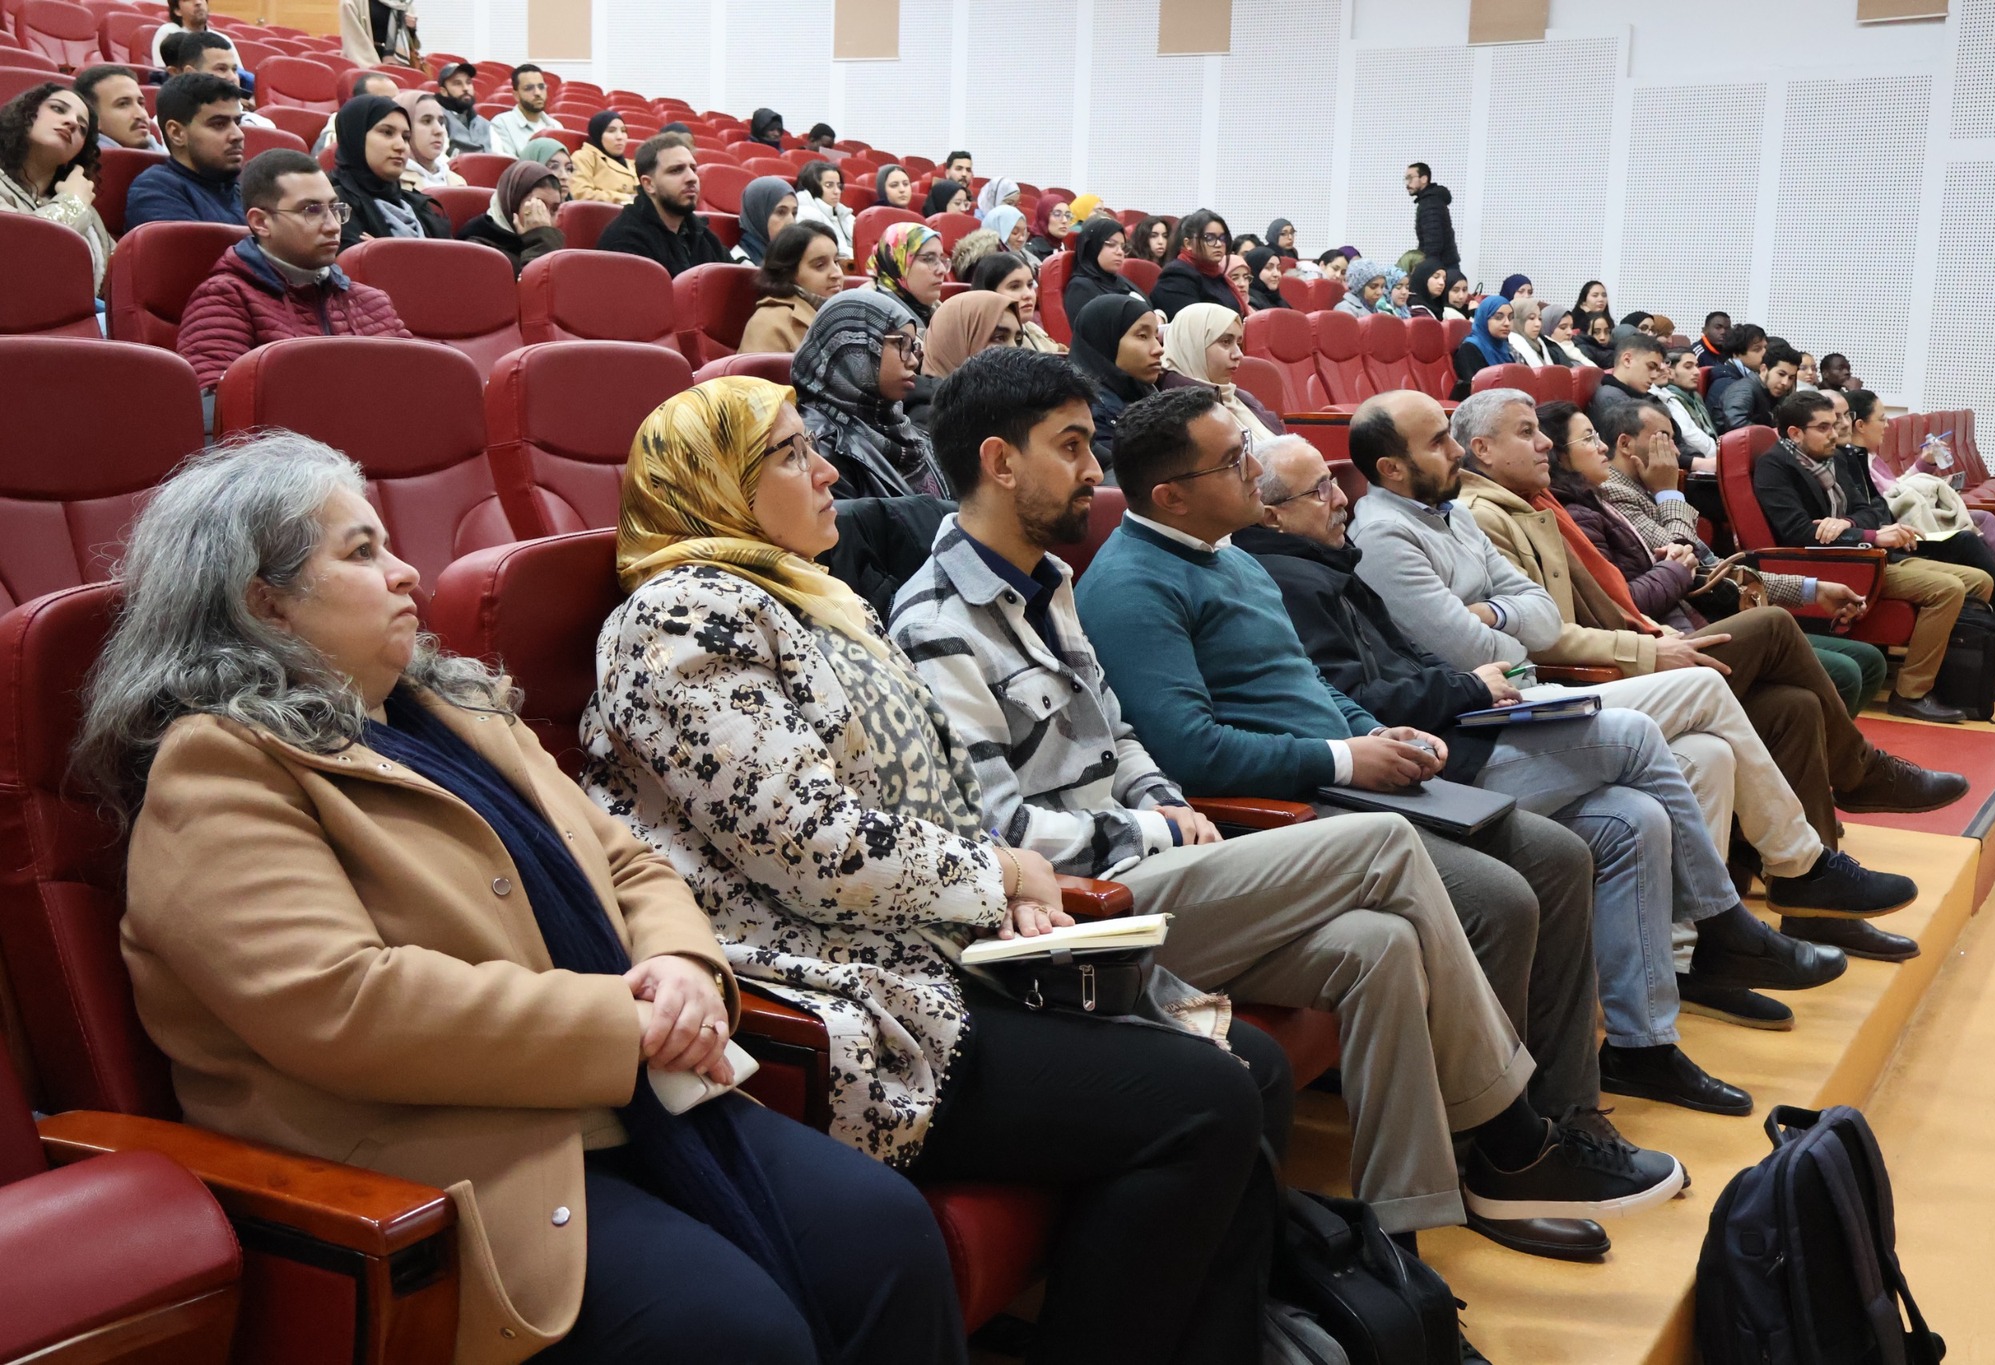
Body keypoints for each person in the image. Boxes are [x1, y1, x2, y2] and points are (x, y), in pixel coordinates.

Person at [81, 433, 961, 1365]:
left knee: (888, 1235)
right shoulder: (221, 764)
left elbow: (628, 863)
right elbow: (343, 1001)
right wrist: (625, 1022)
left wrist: (682, 964)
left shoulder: (455, 709)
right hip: (449, 1149)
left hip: (633, 1090)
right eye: (362, 552)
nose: (406, 572)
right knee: (732, 1333)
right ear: (266, 602)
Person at [896, 349, 1681, 1269]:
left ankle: (1403, 1242)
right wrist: (1161, 820)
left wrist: (1160, 799)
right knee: (1387, 845)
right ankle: (1513, 1137)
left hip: (1164, 857)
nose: (1093, 470)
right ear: (999, 462)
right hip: (1083, 909)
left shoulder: (1049, 585)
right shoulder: (938, 621)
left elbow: (1127, 738)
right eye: (1070, 447)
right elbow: (1002, 835)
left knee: (1381, 946)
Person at [582, 376, 1286, 1364]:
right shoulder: (681, 617)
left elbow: (927, 796)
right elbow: (808, 840)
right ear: (713, 484)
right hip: (833, 992)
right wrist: (1000, 875)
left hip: (926, 952)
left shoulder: (815, 603)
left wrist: (1007, 894)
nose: (827, 471)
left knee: (1250, 1066)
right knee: (1205, 1101)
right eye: (789, 453)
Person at [1241, 431, 1833, 1107]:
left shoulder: (1335, 560)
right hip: (1433, 764)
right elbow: (1367, 697)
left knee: (1635, 816)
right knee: (1638, 733)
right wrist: (1473, 683)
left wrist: (1475, 675)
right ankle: (1724, 920)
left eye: (1332, 482)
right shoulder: (1295, 578)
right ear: (1271, 513)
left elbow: (1496, 633)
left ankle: (1643, 1046)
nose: (1338, 498)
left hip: (1469, 724)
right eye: (1319, 489)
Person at [1349, 390, 1934, 946]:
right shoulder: (1467, 517)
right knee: (1759, 645)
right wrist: (1647, 627)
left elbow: (1552, 615)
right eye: (1541, 435)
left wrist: (1499, 613)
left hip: (1621, 647)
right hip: (1574, 676)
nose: (1555, 444)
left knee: (1790, 709)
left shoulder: (1478, 511)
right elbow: (1518, 640)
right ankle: (1811, 846)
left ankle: (1768, 919)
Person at [1589, 396, 1898, 721]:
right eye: (1664, 439)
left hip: (1718, 606)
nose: (1676, 452)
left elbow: (1714, 566)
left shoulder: (1647, 488)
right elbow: (1684, 556)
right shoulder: (1615, 494)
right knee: (1844, 672)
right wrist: (1669, 492)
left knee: (1869, 660)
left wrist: (1814, 589)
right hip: (1686, 627)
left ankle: (1831, 751)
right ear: (1625, 443)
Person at [1752, 391, 1995, 719]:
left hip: (1868, 553)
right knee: (1948, 589)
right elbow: (1797, 533)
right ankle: (1911, 693)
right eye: (1823, 427)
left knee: (1980, 580)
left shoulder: (1832, 458)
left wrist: (1849, 524)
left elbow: (1873, 508)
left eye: (1834, 424)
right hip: (1838, 566)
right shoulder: (1774, 468)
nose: (1835, 433)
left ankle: (1959, 680)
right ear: (1795, 433)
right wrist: (1867, 535)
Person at [177, 151, 410, 392]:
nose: (332, 226)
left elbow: (417, 391)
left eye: (334, 208)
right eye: (311, 210)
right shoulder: (225, 299)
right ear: (261, 222)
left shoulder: (373, 302)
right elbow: (216, 406)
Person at [1844, 388, 1995, 623]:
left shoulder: (1869, 457)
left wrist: (1925, 464)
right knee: (1973, 532)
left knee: (1982, 521)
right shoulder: (1854, 461)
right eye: (1881, 419)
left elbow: (1895, 487)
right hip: (1902, 528)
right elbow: (1888, 499)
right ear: (1860, 425)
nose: (1887, 425)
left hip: (1909, 518)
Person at [795, 291, 947, 498]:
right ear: (853, 348)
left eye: (913, 348)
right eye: (901, 344)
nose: (913, 361)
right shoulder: (818, 449)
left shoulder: (905, 431)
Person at [0, 83, 113, 292]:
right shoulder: (76, 200)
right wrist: (72, 204)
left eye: (82, 128)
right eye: (58, 109)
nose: (72, 122)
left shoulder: (86, 209)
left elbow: (120, 277)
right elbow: (14, 254)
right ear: (25, 114)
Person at [595, 133, 727, 276]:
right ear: (649, 184)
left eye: (693, 169)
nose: (692, 178)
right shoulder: (624, 239)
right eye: (676, 170)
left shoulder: (702, 234)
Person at [328, 96, 450, 248]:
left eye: (406, 137)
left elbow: (450, 260)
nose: (401, 146)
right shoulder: (332, 202)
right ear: (356, 136)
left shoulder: (419, 205)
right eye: (387, 132)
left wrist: (386, 250)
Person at [125, 73, 244, 228]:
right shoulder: (156, 189)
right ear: (176, 133)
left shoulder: (247, 192)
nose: (238, 135)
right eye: (219, 124)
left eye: (237, 123)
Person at [1158, 303, 1280, 439]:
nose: (1239, 355)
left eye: (1239, 344)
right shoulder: (1175, 412)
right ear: (1193, 345)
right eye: (1226, 342)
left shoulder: (1239, 397)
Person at [1068, 295, 1160, 466]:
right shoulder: (1085, 408)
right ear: (1104, 339)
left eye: (1156, 336)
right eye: (1142, 336)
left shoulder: (1144, 390)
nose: (1158, 349)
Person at [740, 219, 840, 354]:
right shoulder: (768, 323)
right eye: (820, 265)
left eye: (836, 261)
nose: (836, 274)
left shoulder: (847, 313)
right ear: (788, 272)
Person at [455, 160, 563, 277]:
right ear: (512, 206)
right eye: (538, 207)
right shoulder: (479, 252)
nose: (545, 219)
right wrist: (539, 240)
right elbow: (537, 285)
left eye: (554, 210)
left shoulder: (552, 243)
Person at [1587, 332, 1679, 442]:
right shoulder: (1610, 397)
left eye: (1657, 370)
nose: (1655, 376)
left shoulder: (1642, 396)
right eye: (1650, 367)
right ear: (1627, 360)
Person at [1151, 210, 1243, 319]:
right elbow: (1192, 324)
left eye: (1222, 238)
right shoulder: (1177, 275)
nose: (1218, 244)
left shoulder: (1218, 276)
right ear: (1188, 244)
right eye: (1209, 238)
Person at [969, 251, 1063, 353]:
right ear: (989, 292)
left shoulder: (1032, 330)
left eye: (1030, 285)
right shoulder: (984, 342)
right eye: (1014, 287)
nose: (1028, 295)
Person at [1061, 216, 1147, 321]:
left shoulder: (1118, 280)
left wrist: (1160, 316)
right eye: (1111, 244)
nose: (1120, 252)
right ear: (1092, 246)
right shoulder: (1080, 287)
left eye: (1123, 247)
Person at [920, 291, 1020, 380]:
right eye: (999, 337)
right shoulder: (928, 395)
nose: (1015, 349)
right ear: (956, 341)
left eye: (1018, 340)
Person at [865, 220, 946, 325]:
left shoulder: (936, 308)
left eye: (941, 259)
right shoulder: (868, 311)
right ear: (897, 262)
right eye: (929, 259)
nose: (942, 270)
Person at [1715, 337, 1800, 434]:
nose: (1785, 382)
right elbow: (1735, 423)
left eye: (1791, 378)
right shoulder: (1743, 389)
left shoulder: (1774, 392)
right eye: (1781, 374)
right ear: (1763, 369)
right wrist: (1772, 435)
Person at [309, 71, 400, 158]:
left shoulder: (402, 130)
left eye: (397, 100)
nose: (394, 106)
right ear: (360, 104)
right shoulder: (336, 135)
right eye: (387, 101)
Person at [76, 65, 161, 152]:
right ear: (92, 118)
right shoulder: (81, 160)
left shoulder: (163, 153)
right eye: (123, 104)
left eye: (141, 103)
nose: (141, 115)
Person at [391, 90, 463, 191]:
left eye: (441, 122)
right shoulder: (391, 183)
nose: (439, 130)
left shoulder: (459, 182)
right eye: (427, 121)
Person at [1660, 349, 1721, 464]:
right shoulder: (1666, 400)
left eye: (1697, 366)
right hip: (1697, 461)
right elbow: (1692, 438)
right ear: (1669, 372)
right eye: (1688, 367)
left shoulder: (1695, 397)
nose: (1697, 372)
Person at [489, 64, 561, 157]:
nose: (538, 93)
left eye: (541, 87)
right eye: (529, 88)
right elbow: (508, 163)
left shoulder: (556, 126)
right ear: (516, 95)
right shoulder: (502, 123)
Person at [1452, 294, 1514, 399]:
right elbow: (1476, 391)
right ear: (1484, 318)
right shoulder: (1469, 349)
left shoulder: (1506, 348)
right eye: (1499, 317)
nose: (1507, 323)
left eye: (1511, 317)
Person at [569, 111, 636, 204]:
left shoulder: (632, 164)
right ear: (598, 134)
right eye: (611, 131)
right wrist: (626, 198)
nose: (620, 137)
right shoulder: (583, 157)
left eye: (623, 131)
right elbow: (580, 193)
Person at [793, 159, 854, 259]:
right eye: (829, 185)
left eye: (839, 186)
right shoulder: (804, 214)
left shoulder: (845, 214)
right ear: (813, 187)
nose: (837, 191)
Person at [151, 0, 239, 70]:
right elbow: (162, 73)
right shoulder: (169, 32)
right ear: (177, 10)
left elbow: (239, 74)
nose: (198, 2)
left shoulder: (223, 39)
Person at [730, 175, 795, 266]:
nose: (792, 222)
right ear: (757, 214)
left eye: (794, 213)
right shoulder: (739, 261)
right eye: (781, 212)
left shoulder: (795, 259)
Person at [1405, 161, 1458, 268]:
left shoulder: (1429, 203)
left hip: (1439, 267)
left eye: (1410, 178)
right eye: (1406, 179)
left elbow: (1433, 241)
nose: (1407, 183)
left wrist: (1426, 268)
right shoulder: (1432, 200)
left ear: (1424, 179)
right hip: (1443, 264)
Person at [432, 63, 490, 156]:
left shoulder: (485, 124)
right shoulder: (437, 119)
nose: (465, 88)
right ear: (443, 91)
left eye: (468, 82)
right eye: (457, 83)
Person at [1243, 247, 1291, 311]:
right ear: (1254, 271)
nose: (1276, 274)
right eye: (1268, 268)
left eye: (1278, 268)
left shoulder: (1278, 299)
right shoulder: (1250, 303)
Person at [1505, 297, 1549, 368]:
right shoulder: (1511, 349)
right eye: (1531, 318)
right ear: (1517, 320)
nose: (1538, 324)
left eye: (1540, 318)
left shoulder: (1541, 344)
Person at [1025, 193, 1070, 258]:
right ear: (1044, 218)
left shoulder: (1066, 249)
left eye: (1068, 215)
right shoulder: (1030, 252)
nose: (1064, 220)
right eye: (1057, 214)